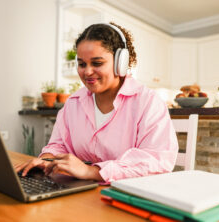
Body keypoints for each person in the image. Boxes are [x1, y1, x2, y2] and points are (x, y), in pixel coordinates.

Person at [15, 22, 179, 183]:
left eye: (97, 63)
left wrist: (92, 171)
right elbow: (58, 145)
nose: (87, 72)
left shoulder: (148, 102)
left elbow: (157, 161)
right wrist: (47, 160)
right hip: (81, 192)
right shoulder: (73, 103)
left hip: (126, 195)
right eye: (81, 64)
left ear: (120, 63)